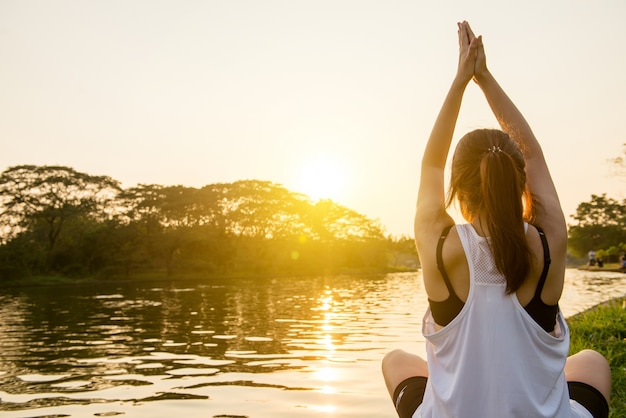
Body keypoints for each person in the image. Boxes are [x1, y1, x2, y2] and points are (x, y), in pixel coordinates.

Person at [382, 21, 611, 418]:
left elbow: (431, 163)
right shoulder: (548, 241)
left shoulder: (440, 246)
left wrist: (461, 81)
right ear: (519, 182)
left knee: (396, 361)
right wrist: (485, 79)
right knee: (592, 362)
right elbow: (535, 155)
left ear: (458, 189)